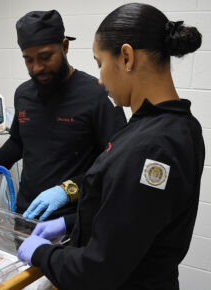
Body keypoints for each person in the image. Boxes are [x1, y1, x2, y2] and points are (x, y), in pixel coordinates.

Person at [17, 3, 204, 289]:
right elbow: (128, 217)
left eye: (100, 63)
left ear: (126, 56)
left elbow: (97, 270)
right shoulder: (167, 126)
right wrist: (70, 223)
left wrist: (42, 253)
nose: (101, 80)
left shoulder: (153, 147)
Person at [0, 10, 126, 222]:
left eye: (45, 57)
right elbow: (19, 142)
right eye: (28, 60)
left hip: (73, 221)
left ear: (64, 46)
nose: (37, 68)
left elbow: (115, 164)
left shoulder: (97, 94)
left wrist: (67, 191)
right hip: (27, 214)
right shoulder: (24, 94)